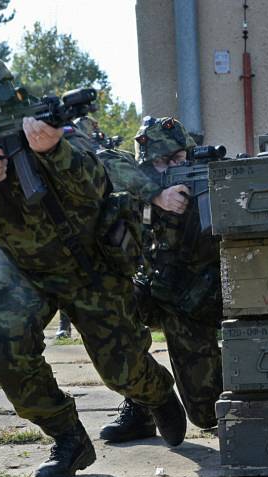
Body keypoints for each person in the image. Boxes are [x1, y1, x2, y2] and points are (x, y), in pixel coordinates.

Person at [0, 36, 186, 477]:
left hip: (89, 260)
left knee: (123, 370)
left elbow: (98, 185)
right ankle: (68, 437)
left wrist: (54, 151)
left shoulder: (38, 112)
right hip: (18, 268)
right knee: (1, 352)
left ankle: (156, 394)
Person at [95, 116, 223, 443]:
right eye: (160, 161)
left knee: (206, 414)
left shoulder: (212, 181)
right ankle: (142, 402)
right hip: (149, 289)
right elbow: (103, 161)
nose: (170, 167)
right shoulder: (141, 182)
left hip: (191, 302)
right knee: (107, 318)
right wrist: (156, 193)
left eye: (178, 159)